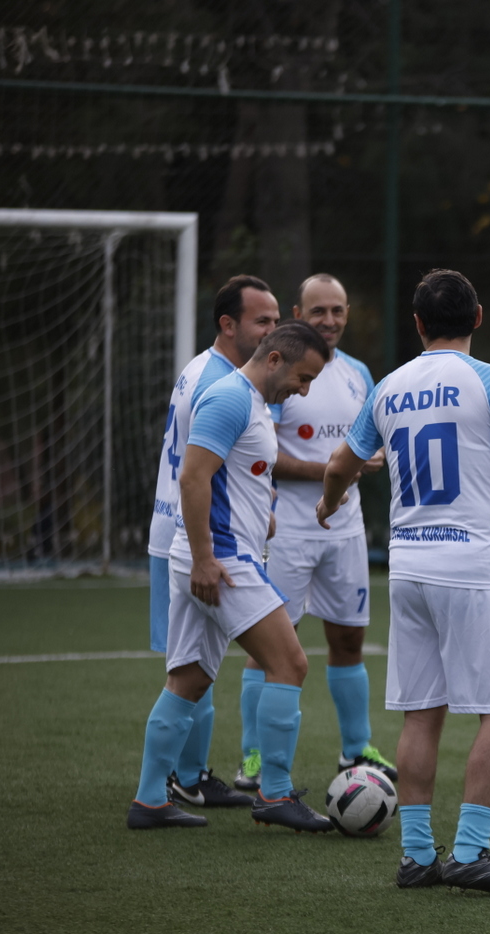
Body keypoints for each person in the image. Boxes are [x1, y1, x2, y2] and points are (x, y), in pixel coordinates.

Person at [316, 269, 490, 895]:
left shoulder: (389, 386)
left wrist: (329, 501)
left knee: (421, 714)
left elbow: (341, 464)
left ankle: (416, 857)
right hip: (475, 569)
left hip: (407, 569)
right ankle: (470, 853)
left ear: (418, 324)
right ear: (477, 317)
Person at [127, 320, 332, 831]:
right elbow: (193, 476)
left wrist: (261, 509)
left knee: (189, 679)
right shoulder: (230, 398)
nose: (304, 390)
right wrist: (204, 558)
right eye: (303, 377)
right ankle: (275, 794)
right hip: (221, 561)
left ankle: (149, 801)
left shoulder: (253, 403)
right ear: (275, 359)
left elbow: (232, 473)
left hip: (217, 555)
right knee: (290, 664)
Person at [235, 274, 394, 794]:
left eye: (338, 310)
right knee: (270, 647)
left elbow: (371, 440)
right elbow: (264, 451)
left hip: (345, 530)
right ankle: (254, 758)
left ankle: (357, 750)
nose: (329, 320)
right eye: (319, 310)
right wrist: (332, 471)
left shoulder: (358, 374)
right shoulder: (278, 369)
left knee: (349, 638)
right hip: (286, 531)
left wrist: (371, 457)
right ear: (298, 313)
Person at [147, 275, 279, 811]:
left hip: (185, 531)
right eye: (262, 321)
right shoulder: (221, 383)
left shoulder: (204, 368)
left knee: (193, 667)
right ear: (228, 324)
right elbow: (199, 473)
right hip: (197, 537)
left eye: (276, 320)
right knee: (194, 667)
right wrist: (206, 550)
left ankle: (179, 780)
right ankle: (188, 777)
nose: (273, 331)